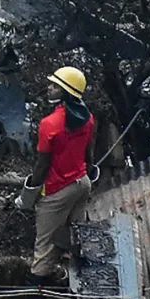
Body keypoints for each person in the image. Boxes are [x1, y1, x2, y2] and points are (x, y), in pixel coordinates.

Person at [15, 66, 96, 285]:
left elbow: (42, 165)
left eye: (54, 86)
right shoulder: (88, 119)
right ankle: (81, 285)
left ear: (66, 92)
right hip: (82, 184)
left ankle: (35, 297)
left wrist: (29, 194)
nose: (49, 88)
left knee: (44, 246)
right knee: (76, 237)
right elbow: (89, 155)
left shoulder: (50, 124)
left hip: (57, 189)